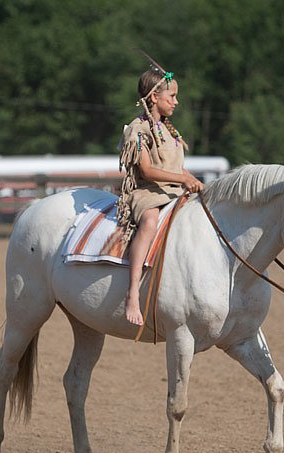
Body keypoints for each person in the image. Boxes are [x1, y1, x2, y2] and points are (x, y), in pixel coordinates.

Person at [116, 62, 204, 326]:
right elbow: (146, 169)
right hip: (147, 193)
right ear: (155, 97)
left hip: (173, 191)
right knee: (150, 221)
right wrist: (183, 178)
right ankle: (132, 293)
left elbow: (174, 166)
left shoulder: (169, 130)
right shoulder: (138, 129)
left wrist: (192, 180)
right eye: (172, 96)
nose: (176, 102)